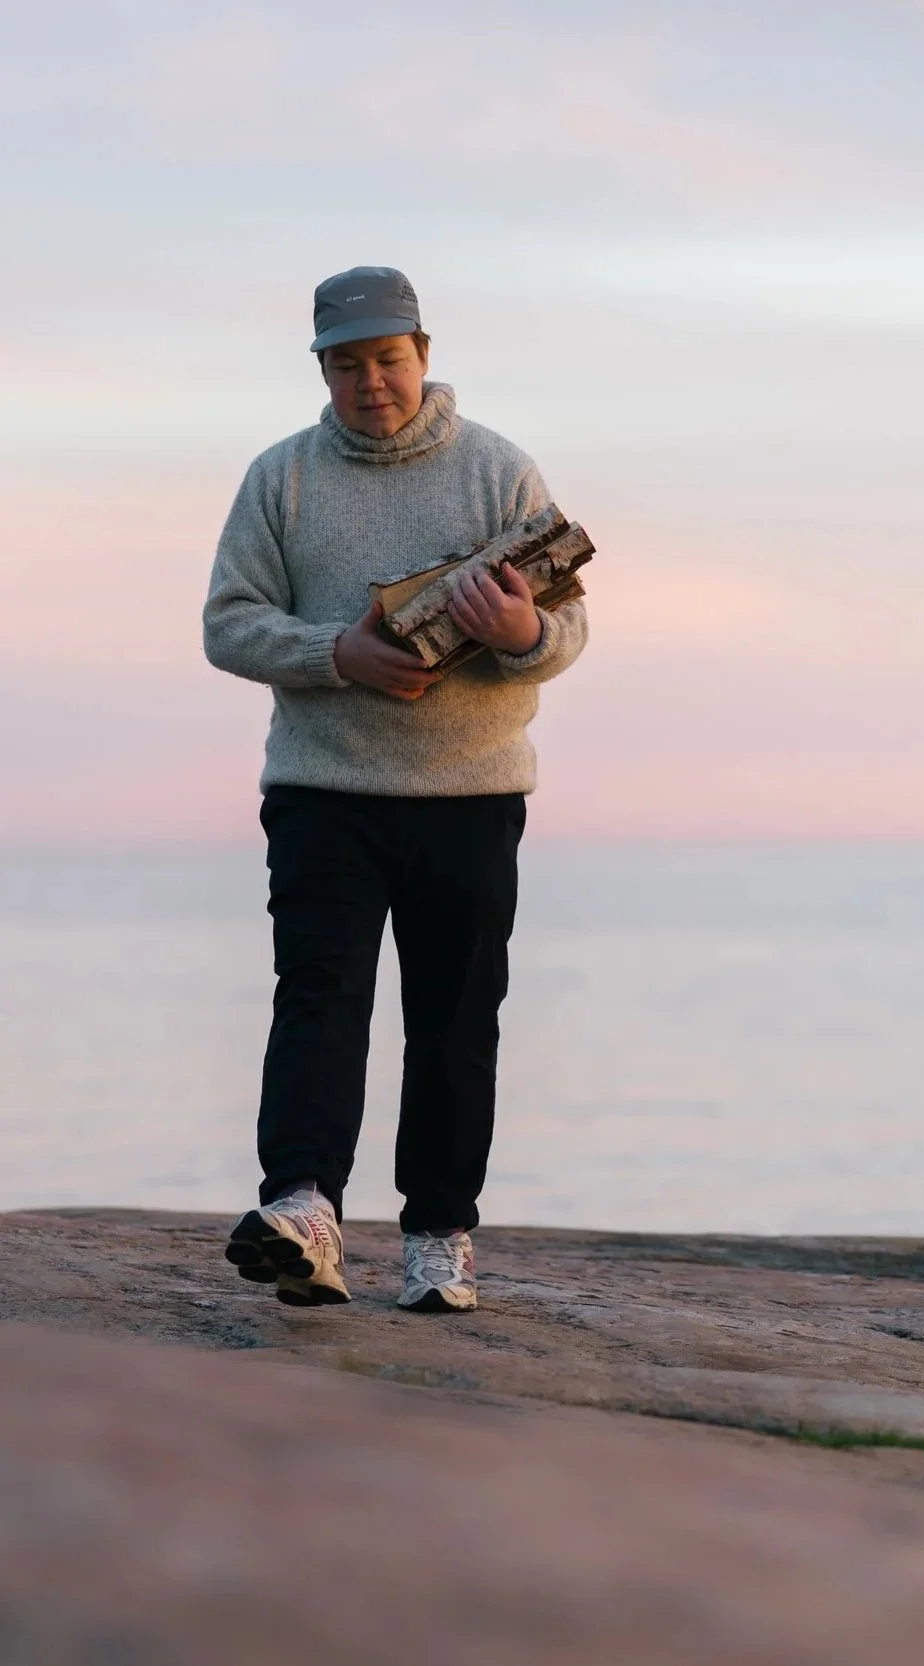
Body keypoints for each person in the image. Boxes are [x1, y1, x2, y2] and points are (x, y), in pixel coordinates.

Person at [203, 266, 587, 1312]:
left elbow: (569, 625)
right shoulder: (279, 478)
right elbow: (227, 624)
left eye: (386, 357)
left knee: (455, 1021)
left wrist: (523, 635)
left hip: (471, 794)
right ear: (322, 367)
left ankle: (437, 1237)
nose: (369, 380)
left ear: (422, 351)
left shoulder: (498, 472)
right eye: (346, 363)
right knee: (320, 1001)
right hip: (324, 789)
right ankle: (304, 1211)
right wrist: (340, 652)